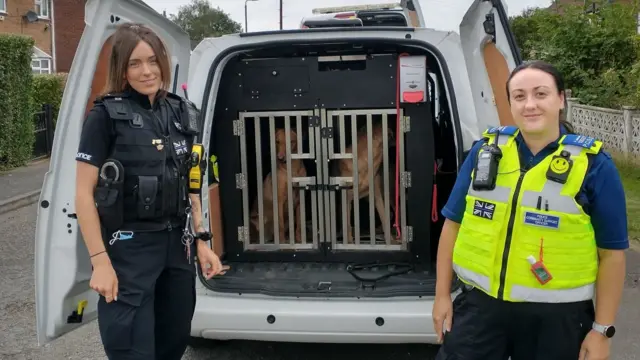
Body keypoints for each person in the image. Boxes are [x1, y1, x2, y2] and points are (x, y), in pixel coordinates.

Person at [432, 60, 628, 360]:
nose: (530, 105)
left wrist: (601, 331)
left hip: (557, 321)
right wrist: (442, 295)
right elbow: (452, 225)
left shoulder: (594, 165)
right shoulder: (485, 153)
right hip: (480, 310)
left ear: (561, 99)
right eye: (520, 96)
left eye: (541, 94)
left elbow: (612, 255)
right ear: (510, 103)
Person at [74, 23, 227, 360]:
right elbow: (83, 194)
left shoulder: (180, 112)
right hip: (130, 249)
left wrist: (202, 240)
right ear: (122, 69)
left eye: (152, 61)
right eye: (135, 63)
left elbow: (192, 182)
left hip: (177, 247)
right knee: (131, 346)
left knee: (173, 341)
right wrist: (100, 262)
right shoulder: (104, 117)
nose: (147, 71)